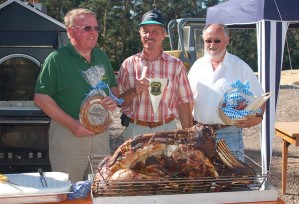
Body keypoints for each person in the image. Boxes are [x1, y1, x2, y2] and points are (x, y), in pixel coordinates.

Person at [34, 8, 118, 182]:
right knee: (68, 191)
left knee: (100, 187)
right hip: (69, 135)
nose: (94, 33)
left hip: (100, 136)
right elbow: (41, 98)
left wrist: (113, 100)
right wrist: (73, 125)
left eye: (96, 28)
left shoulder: (102, 56)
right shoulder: (56, 59)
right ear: (71, 31)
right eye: (87, 28)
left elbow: (113, 87)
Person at [188, 23, 265, 161]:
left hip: (229, 135)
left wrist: (258, 117)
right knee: (201, 181)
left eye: (217, 40)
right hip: (199, 134)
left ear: (227, 40)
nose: (212, 44)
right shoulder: (197, 66)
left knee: (231, 181)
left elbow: (259, 97)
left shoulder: (240, 67)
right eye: (208, 41)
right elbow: (187, 98)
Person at [117, 10, 194, 141]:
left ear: (164, 35)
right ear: (139, 33)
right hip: (135, 130)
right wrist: (134, 91)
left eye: (155, 31)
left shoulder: (176, 65)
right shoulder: (128, 64)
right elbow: (119, 102)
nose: (149, 35)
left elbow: (184, 103)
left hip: (167, 129)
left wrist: (188, 136)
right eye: (145, 31)